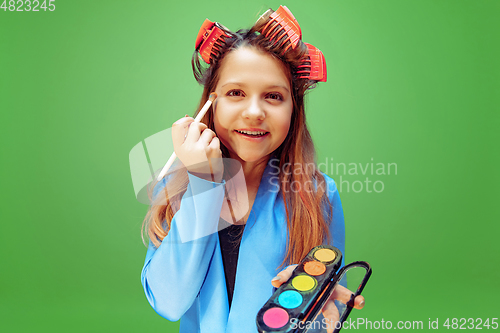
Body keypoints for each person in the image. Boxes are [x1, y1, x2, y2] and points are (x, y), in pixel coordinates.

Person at [141, 6, 365, 333]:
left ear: (294, 110)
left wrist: (313, 302)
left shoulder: (319, 195)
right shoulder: (175, 191)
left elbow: (323, 319)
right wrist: (203, 181)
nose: (254, 111)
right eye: (236, 93)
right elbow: (168, 302)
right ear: (211, 102)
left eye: (273, 96)